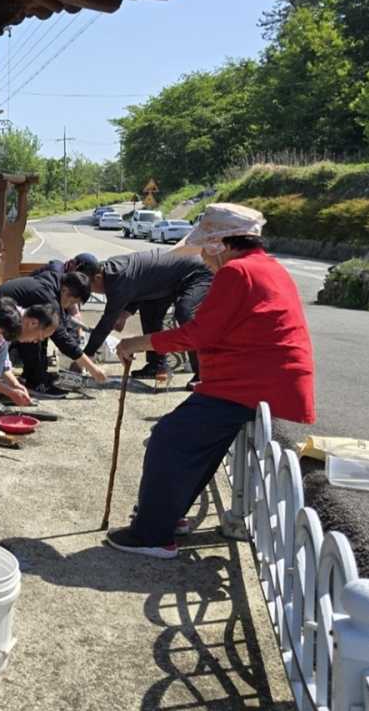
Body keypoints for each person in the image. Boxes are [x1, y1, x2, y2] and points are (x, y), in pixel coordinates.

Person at [108, 203, 315, 559]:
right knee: (188, 443)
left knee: (168, 439)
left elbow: (199, 334)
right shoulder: (267, 268)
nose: (203, 257)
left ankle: (152, 534)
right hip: (260, 379)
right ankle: (166, 517)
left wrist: (137, 344)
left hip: (249, 383)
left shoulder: (237, 273)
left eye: (205, 248)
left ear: (220, 244)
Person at [84, 249, 213, 386]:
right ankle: (157, 365)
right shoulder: (112, 270)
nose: (93, 292)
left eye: (91, 289)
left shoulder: (116, 278)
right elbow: (140, 287)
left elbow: (106, 323)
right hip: (167, 281)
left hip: (198, 272)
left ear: (97, 277)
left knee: (184, 312)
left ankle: (203, 374)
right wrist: (125, 314)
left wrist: (85, 357)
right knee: (149, 311)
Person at [0, 270, 106, 398]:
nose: (69, 306)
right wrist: (92, 368)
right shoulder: (47, 297)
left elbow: (59, 327)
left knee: (40, 332)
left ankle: (32, 378)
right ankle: (36, 383)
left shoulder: (52, 283)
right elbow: (61, 338)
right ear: (65, 290)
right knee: (38, 333)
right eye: (71, 302)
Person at [0, 303, 60, 408]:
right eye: (39, 337)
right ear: (33, 323)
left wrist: (15, 385)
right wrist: (10, 392)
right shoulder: (4, 326)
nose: (36, 341)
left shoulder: (15, 317)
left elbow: (2, 363)